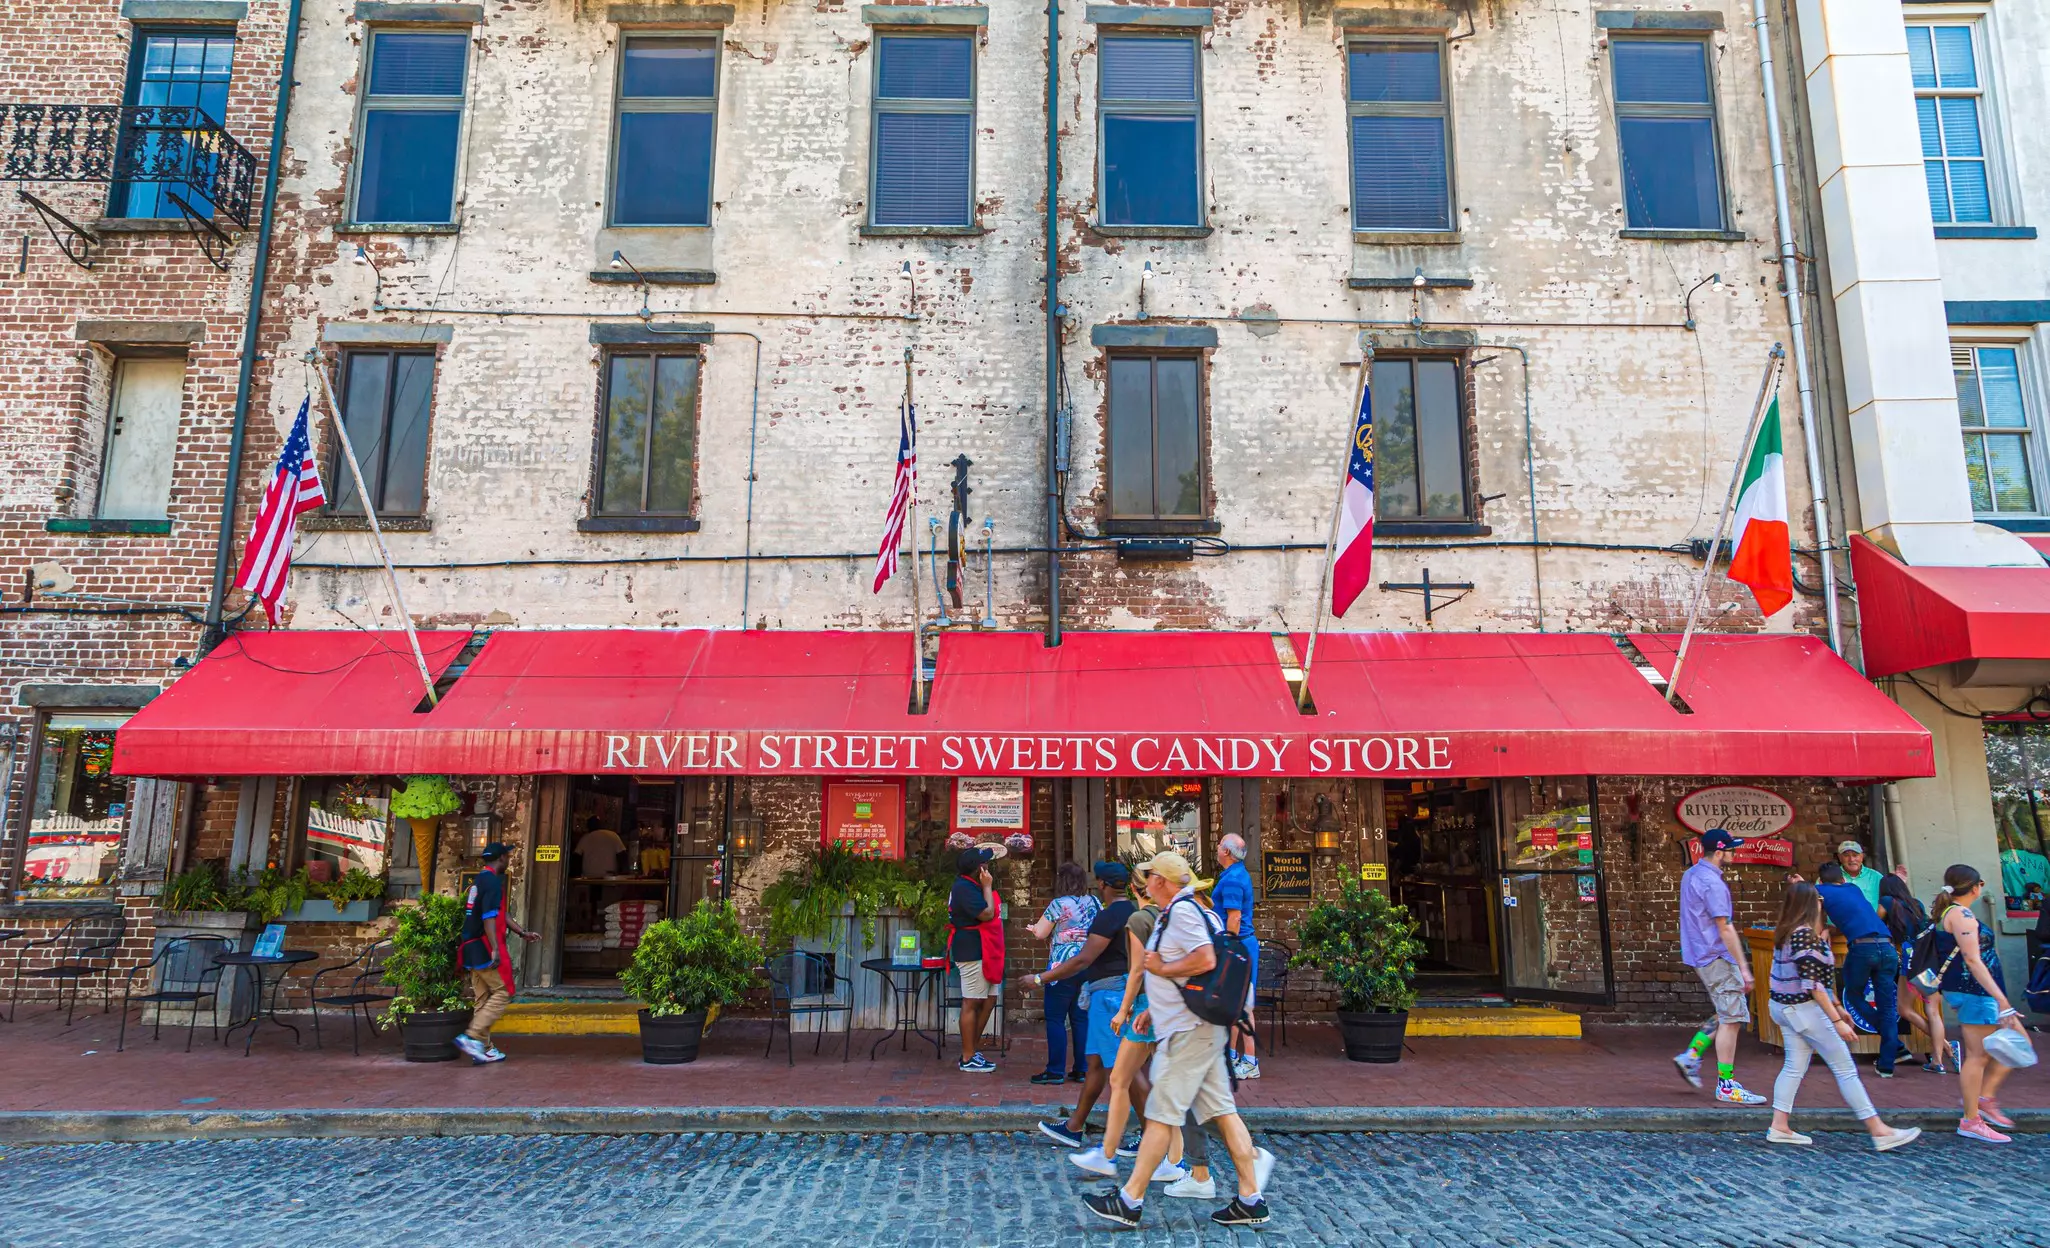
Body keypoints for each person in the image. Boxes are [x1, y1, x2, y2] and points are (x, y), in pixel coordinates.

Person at [1084, 851, 1277, 1231]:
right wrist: (1154, 1008)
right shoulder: (1195, 911)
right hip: (1199, 1028)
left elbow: (1204, 961)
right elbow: (1195, 972)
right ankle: (1251, 1198)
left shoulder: (1183, 912)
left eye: (1150, 876)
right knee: (1223, 1111)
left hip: (1188, 1033)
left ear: (1161, 881)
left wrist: (1160, 969)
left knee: (1159, 1113)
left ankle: (1130, 1199)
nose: (1146, 882)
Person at [1763, 882, 1921, 1150]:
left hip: (1783, 1007)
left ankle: (1779, 1126)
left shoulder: (1787, 933)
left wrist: (1837, 1006)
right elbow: (1813, 985)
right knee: (1845, 1069)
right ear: (1812, 904)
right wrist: (1836, 1019)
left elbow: (1814, 980)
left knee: (1794, 1066)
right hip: (1802, 1009)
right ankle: (1879, 1131)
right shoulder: (1804, 935)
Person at [1029, 862, 1135, 1148]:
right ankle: (1075, 1120)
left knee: (1121, 1071)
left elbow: (1068, 950)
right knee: (1092, 1053)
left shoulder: (1077, 909)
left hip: (1091, 982)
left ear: (1102, 884)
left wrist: (1039, 978)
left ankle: (1150, 1136)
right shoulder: (1107, 908)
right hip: (1099, 984)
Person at [1931, 864, 2028, 1144]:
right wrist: (2001, 1000)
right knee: (1978, 1056)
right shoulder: (1961, 915)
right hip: (1975, 993)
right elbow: (1973, 960)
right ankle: (1971, 1118)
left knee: (2017, 1045)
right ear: (1975, 888)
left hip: (1977, 993)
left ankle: (1984, 1099)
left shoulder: (1955, 912)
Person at [1671, 829, 1768, 1104]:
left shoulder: (1691, 874)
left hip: (1701, 954)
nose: (1735, 853)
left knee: (1726, 1011)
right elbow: (1724, 928)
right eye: (1732, 849)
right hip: (1717, 956)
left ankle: (1691, 1056)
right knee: (1732, 1019)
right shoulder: (1712, 884)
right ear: (1721, 851)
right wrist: (1744, 967)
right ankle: (1726, 1085)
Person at [1816, 861, 1901, 1077]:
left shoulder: (1819, 891)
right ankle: (1888, 1061)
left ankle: (1893, 1042)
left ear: (1821, 881)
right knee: (1887, 1005)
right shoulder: (1853, 888)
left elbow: (1816, 917)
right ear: (1842, 879)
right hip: (1887, 946)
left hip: (1862, 948)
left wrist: (1824, 928)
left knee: (1853, 996)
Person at [454, 842, 537, 1064]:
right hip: (482, 945)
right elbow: (489, 917)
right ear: (501, 858)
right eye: (507, 856)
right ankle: (472, 1037)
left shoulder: (480, 880)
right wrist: (495, 948)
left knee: (482, 998)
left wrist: (522, 932)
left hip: (470, 945)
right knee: (503, 992)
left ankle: (484, 1049)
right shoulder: (492, 882)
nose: (509, 859)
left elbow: (502, 912)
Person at [1027, 861, 1099, 1086]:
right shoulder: (1094, 901)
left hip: (1061, 967)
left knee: (1055, 1018)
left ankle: (1056, 1070)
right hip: (1087, 963)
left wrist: (1033, 929)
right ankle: (1082, 1069)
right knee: (1081, 1018)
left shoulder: (1058, 904)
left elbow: (1041, 933)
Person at [1879, 870, 1952, 1074]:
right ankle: (1938, 1059)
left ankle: (1946, 1046)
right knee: (1932, 1010)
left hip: (1910, 962)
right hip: (1927, 960)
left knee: (1904, 1008)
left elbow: (1876, 924)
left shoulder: (1886, 901)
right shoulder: (1916, 903)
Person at [947, 846, 1002, 1073]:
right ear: (977, 869)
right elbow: (987, 914)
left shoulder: (970, 886)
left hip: (985, 949)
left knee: (988, 999)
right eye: (985, 863)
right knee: (971, 1001)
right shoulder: (964, 889)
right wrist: (988, 887)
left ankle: (973, 1049)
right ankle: (968, 1056)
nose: (988, 866)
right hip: (971, 950)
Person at [1211, 833, 1260, 1081]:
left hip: (1238, 945)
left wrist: (1227, 949)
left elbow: (1234, 917)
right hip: (1243, 945)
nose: (1217, 847)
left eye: (1220, 844)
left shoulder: (1232, 879)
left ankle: (1250, 1061)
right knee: (1235, 1003)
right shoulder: (1237, 874)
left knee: (1242, 1004)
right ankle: (1231, 1056)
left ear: (1227, 852)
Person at [1838, 840, 1883, 913]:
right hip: (1837, 924)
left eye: (1855, 855)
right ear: (1840, 857)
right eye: (1846, 855)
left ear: (1862, 856)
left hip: (1871, 923)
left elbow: (1888, 902)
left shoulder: (1876, 877)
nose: (1851, 859)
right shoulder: (1829, 877)